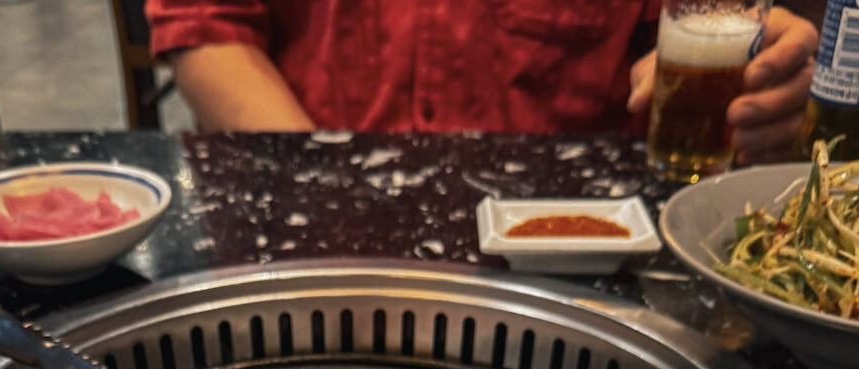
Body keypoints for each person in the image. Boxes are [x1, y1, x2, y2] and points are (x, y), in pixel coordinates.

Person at [145, 0, 819, 165]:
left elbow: (695, 25)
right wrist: (323, 179)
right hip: (306, 204)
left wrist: (762, 67)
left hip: (571, 254)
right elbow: (206, 25)